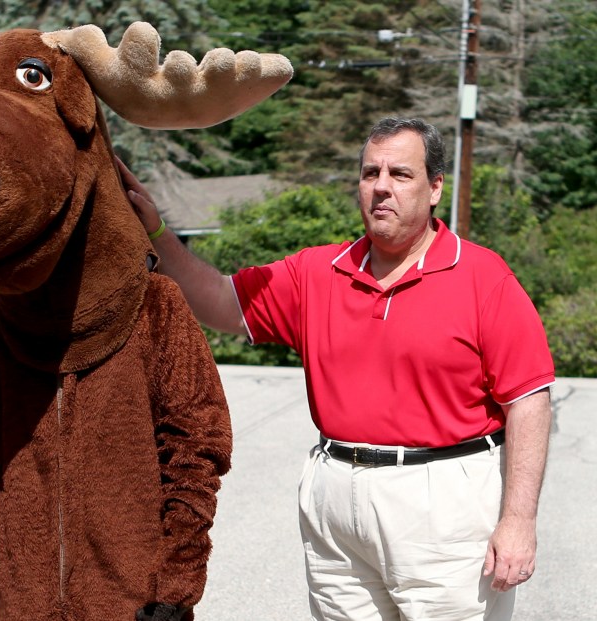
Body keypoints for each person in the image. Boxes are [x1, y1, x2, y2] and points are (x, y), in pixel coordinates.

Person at [117, 117, 555, 621]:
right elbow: (220, 299)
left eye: (401, 174)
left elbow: (529, 401)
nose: (382, 188)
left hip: (444, 502)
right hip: (335, 500)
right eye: (371, 173)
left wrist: (519, 520)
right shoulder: (317, 272)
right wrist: (155, 230)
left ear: (435, 188)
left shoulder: (483, 277)